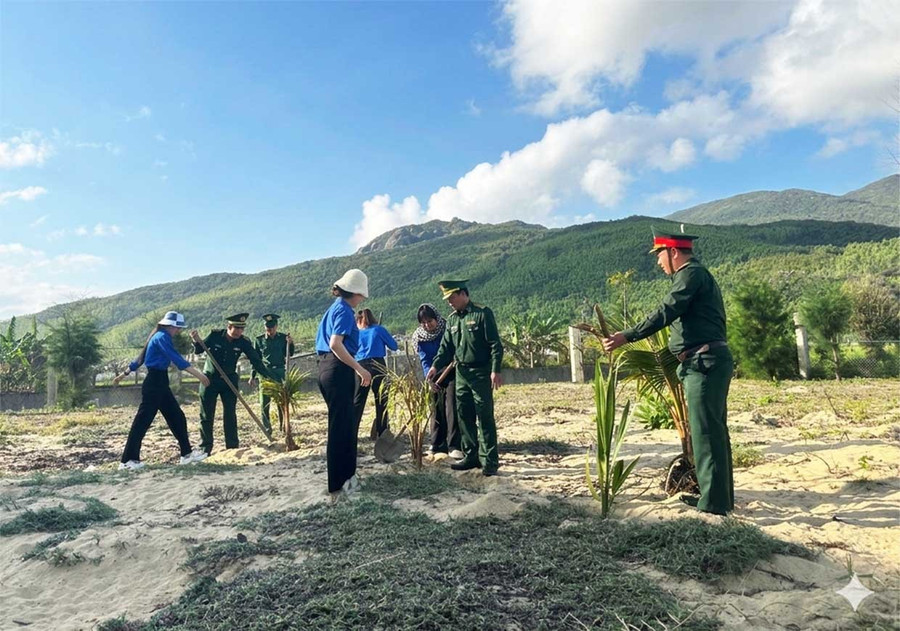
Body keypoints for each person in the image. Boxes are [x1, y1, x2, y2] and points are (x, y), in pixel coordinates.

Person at [602, 229, 734, 516]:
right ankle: (716, 499)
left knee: (707, 433)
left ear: (673, 252)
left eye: (660, 255)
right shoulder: (694, 275)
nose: (659, 262)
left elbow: (666, 311)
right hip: (705, 361)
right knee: (712, 432)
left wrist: (628, 335)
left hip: (705, 363)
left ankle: (714, 504)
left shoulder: (690, 275)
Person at [427, 279, 503, 476]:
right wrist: (435, 365)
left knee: (484, 416)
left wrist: (495, 370)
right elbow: (445, 348)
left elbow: (495, 344)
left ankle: (490, 461)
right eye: (447, 299)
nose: (449, 302)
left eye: (452, 297)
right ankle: (471, 456)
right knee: (464, 416)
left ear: (463, 294)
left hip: (480, 372)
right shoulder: (452, 320)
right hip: (461, 374)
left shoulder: (482, 313)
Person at [118, 312, 210, 470]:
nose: (178, 331)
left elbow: (139, 360)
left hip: (160, 382)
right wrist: (199, 375)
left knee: (177, 417)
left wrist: (123, 374)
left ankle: (186, 454)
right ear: (171, 325)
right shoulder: (161, 337)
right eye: (178, 327)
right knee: (142, 422)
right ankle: (127, 460)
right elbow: (176, 358)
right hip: (154, 383)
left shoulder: (158, 336)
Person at [316, 269, 372, 495]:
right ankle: (341, 481)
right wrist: (359, 368)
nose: (363, 299)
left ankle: (344, 477)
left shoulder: (334, 309)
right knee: (342, 427)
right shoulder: (345, 311)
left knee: (342, 425)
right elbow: (335, 344)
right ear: (355, 292)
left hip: (327, 368)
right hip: (338, 368)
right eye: (362, 295)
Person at [189, 313, 273, 454]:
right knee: (206, 415)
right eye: (237, 328)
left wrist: (268, 377)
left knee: (230, 414)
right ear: (229, 326)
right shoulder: (215, 336)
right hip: (210, 379)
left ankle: (232, 447)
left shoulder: (243, 342)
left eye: (242, 329)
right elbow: (199, 350)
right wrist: (196, 341)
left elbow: (256, 360)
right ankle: (205, 448)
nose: (240, 332)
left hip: (229, 380)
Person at [413, 303, 462, 459]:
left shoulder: (447, 329)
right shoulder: (419, 337)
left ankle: (454, 444)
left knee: (451, 406)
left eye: (430, 321)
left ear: (436, 318)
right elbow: (425, 360)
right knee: (436, 408)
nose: (427, 325)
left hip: (451, 370)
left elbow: (452, 350)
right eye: (424, 322)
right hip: (434, 374)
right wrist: (430, 379)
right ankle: (437, 443)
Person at [352, 308, 397, 440]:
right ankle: (382, 431)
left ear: (358, 321)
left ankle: (352, 432)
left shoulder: (355, 334)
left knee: (358, 401)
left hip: (360, 366)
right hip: (378, 365)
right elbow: (394, 346)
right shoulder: (379, 330)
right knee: (382, 400)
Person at [249, 314, 295, 435]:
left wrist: (290, 343)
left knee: (282, 401)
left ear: (276, 326)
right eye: (267, 327)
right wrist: (252, 375)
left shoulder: (283, 338)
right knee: (264, 402)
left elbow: (290, 354)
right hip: (265, 373)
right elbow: (256, 360)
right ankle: (267, 429)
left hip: (280, 372)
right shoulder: (259, 340)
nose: (269, 330)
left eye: (272, 327)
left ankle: (284, 426)